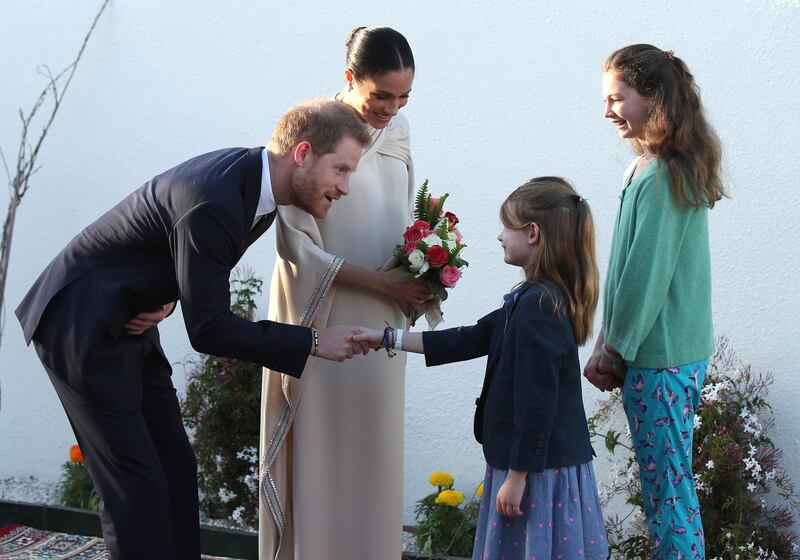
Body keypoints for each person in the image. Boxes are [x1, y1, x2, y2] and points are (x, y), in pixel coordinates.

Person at [15, 99, 373, 560]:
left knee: (176, 467)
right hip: (79, 323)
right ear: (302, 152)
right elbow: (209, 331)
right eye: (340, 170)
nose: (345, 187)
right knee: (135, 488)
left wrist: (164, 300)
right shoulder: (219, 198)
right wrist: (316, 341)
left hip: (128, 317)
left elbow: (187, 265)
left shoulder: (256, 190)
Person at [355, 177, 609, 560]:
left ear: (533, 233)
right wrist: (385, 338)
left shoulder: (538, 307)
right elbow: (469, 338)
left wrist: (518, 477)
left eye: (507, 226)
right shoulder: (532, 299)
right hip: (537, 465)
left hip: (536, 473)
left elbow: (537, 399)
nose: (500, 236)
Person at [259, 26, 427, 560]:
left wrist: (423, 269)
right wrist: (380, 280)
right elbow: (296, 247)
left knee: (373, 452)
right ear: (351, 78)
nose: (391, 108)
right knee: (323, 452)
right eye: (382, 95)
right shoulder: (306, 131)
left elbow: (402, 219)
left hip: (382, 320)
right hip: (320, 319)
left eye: (403, 98)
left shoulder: (398, 133)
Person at [585, 44, 726, 559]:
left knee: (669, 492)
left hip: (660, 357)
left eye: (616, 98)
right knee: (667, 487)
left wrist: (614, 348)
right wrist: (606, 338)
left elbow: (645, 276)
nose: (607, 112)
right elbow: (623, 268)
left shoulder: (664, 174)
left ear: (652, 96)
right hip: (658, 354)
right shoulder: (650, 167)